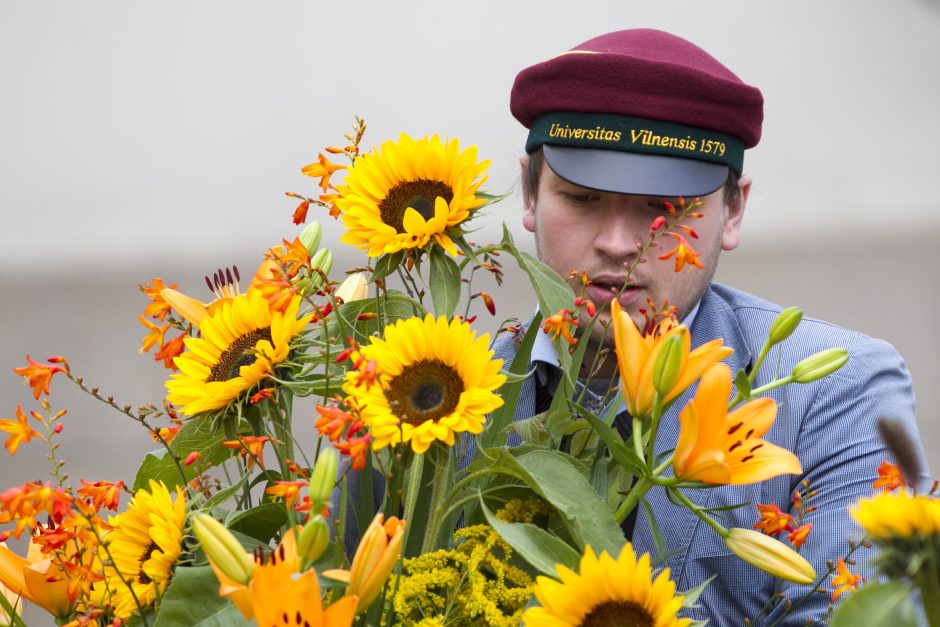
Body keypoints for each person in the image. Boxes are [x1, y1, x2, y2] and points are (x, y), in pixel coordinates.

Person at [496, 28, 930, 623]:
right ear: (527, 194)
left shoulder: (833, 391)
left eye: (661, 209)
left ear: (734, 210)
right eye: (582, 198)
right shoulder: (440, 395)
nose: (619, 244)